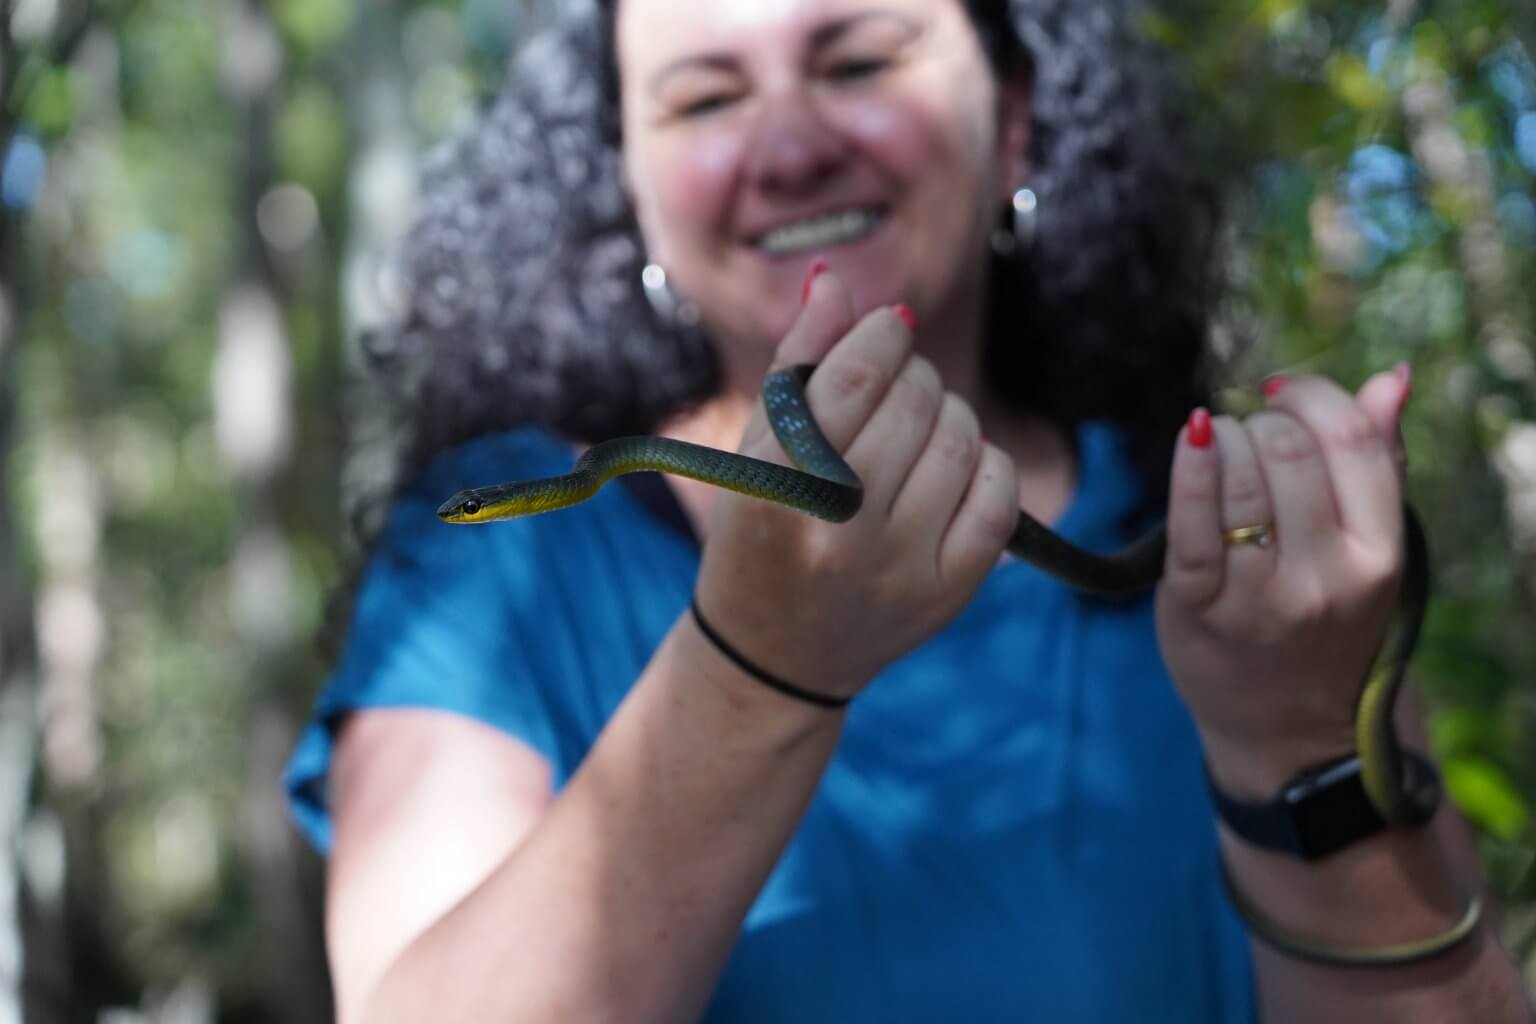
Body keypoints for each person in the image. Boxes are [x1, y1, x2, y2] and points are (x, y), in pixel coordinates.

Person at [285, 1, 1535, 1021]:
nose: (789, 145)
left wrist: (1297, 740)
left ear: (1016, 128)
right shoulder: (496, 567)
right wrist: (754, 665)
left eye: (861, 58)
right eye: (706, 96)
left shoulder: (1225, 541)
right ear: (633, 185)